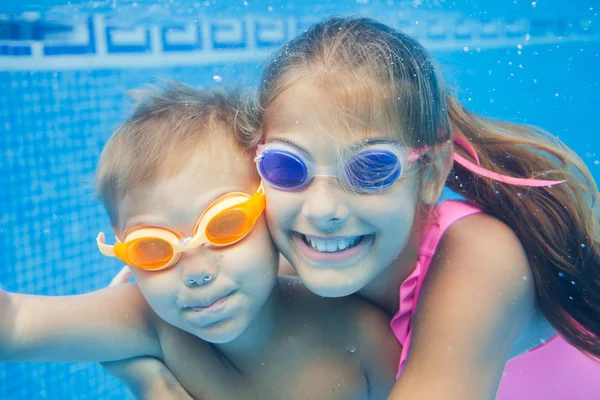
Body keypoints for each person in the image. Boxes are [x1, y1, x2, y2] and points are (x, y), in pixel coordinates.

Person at [252, 16, 600, 399]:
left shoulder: (480, 256)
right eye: (286, 167)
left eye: (370, 169)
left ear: (432, 172)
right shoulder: (281, 261)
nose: (322, 210)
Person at [0, 81, 400, 400]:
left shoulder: (358, 336)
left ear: (268, 210)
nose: (196, 272)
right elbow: (14, 323)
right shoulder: (149, 319)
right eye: (152, 247)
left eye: (224, 225)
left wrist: (153, 387)